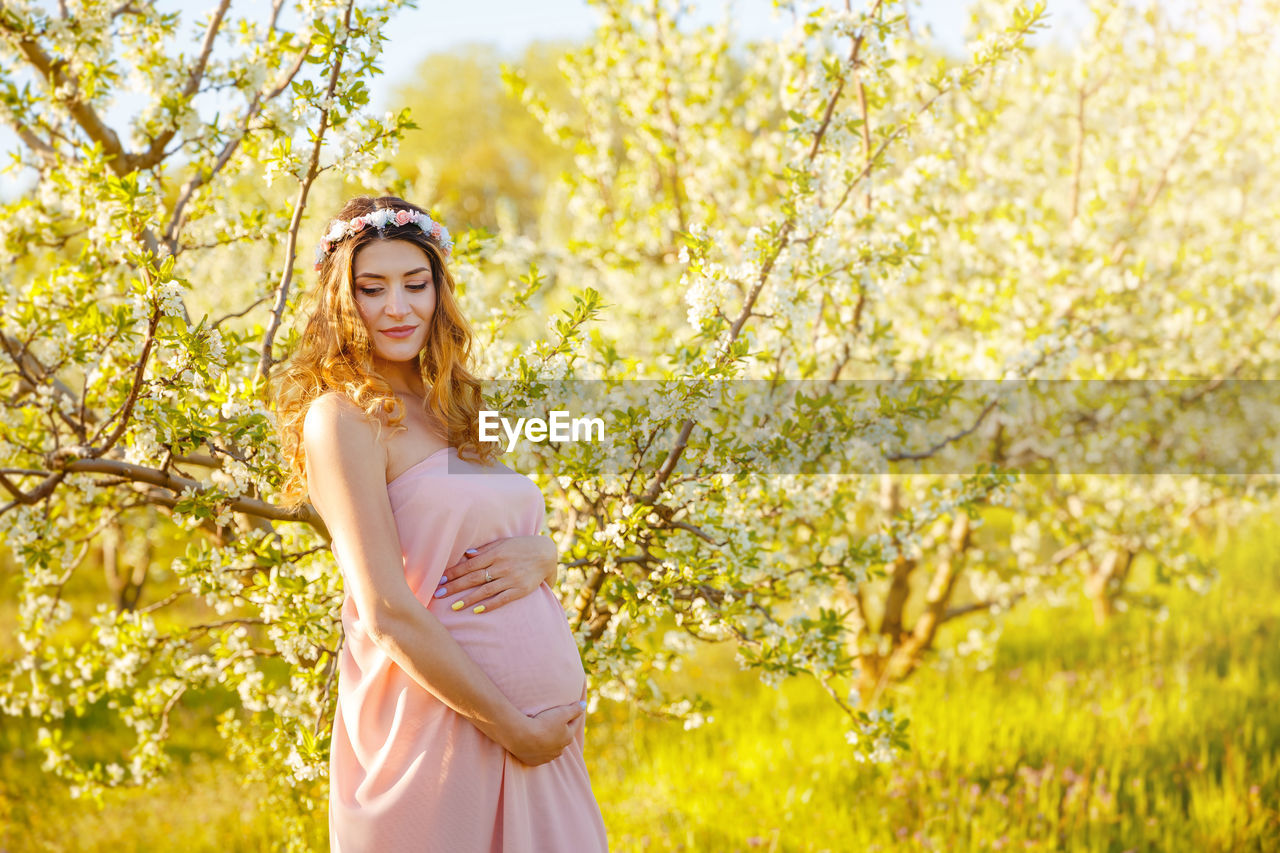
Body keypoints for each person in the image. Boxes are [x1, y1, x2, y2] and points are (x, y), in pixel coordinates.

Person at [269, 196, 609, 852]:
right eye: (373, 288)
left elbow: (488, 529)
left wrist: (545, 553)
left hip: (538, 748)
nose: (397, 307)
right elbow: (386, 610)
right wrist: (514, 726)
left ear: (439, 291)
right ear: (343, 300)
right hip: (442, 740)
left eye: (414, 284)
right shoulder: (343, 419)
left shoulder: (454, 405)